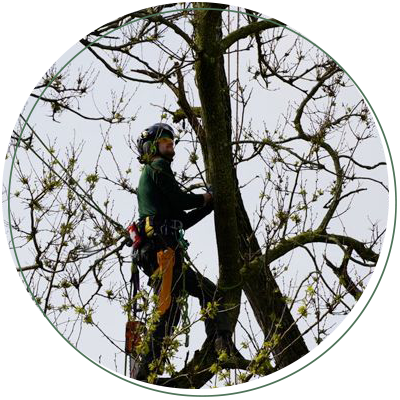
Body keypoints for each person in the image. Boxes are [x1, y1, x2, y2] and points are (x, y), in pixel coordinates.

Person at [134, 122, 233, 382]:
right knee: (206, 294)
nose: (171, 142)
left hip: (163, 252)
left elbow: (181, 219)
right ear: (153, 146)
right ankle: (220, 343)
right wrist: (206, 198)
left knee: (171, 314)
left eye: (172, 139)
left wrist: (208, 207)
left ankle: (147, 372)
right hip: (161, 252)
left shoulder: (158, 177)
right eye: (165, 139)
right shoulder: (157, 168)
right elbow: (181, 201)